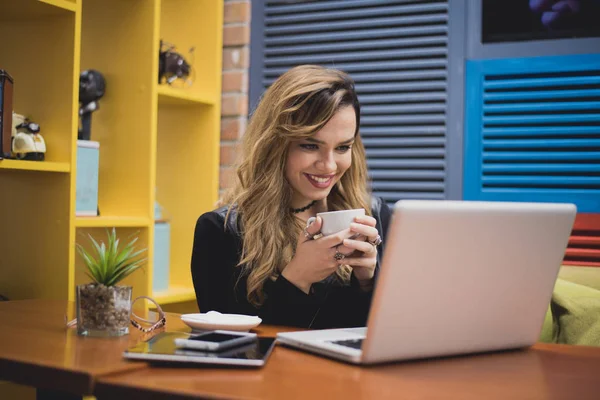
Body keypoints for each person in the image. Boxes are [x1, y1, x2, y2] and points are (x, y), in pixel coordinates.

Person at [191, 65, 392, 329]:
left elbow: (387, 333)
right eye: (310, 145)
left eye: (343, 147)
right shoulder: (221, 231)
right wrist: (297, 278)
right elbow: (232, 350)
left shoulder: (374, 215)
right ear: (274, 145)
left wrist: (367, 281)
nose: (329, 166)